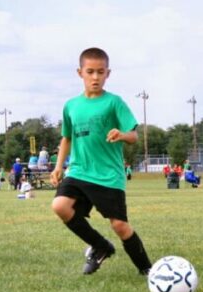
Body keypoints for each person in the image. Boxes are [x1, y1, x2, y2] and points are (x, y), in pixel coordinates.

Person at [50, 47, 152, 276]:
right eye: (90, 72)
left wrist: (122, 134)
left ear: (108, 73)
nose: (95, 77)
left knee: (119, 225)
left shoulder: (114, 102)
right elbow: (67, 138)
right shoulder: (71, 105)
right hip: (78, 171)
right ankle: (101, 246)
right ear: (80, 73)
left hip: (108, 175)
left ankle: (147, 269)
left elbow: (134, 136)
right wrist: (58, 167)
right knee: (60, 206)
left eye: (100, 72)